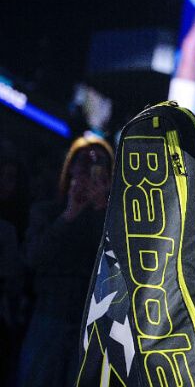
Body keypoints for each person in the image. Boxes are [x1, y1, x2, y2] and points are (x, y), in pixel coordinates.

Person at [15, 136, 113, 387]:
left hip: (90, 323)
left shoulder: (111, 223)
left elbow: (113, 265)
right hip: (50, 314)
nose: (89, 171)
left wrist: (102, 207)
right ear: (69, 168)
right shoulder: (46, 211)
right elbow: (33, 257)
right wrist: (69, 214)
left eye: (99, 166)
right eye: (83, 163)